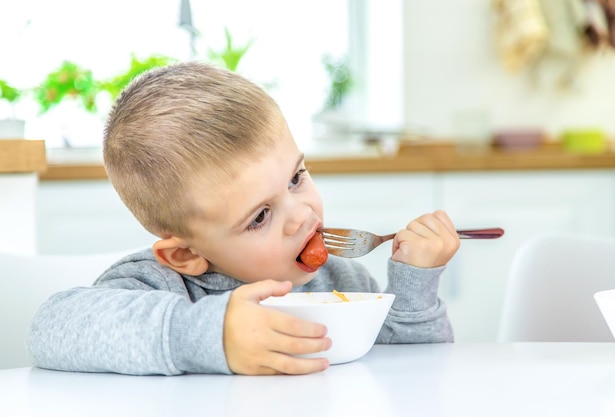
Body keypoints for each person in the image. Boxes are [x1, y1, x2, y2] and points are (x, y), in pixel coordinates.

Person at [27, 61, 459, 376]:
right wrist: (208, 335)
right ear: (183, 253)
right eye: (261, 216)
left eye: (295, 178)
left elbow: (413, 373)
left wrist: (413, 284)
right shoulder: (165, 286)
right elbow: (50, 328)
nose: (302, 216)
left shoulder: (341, 282)